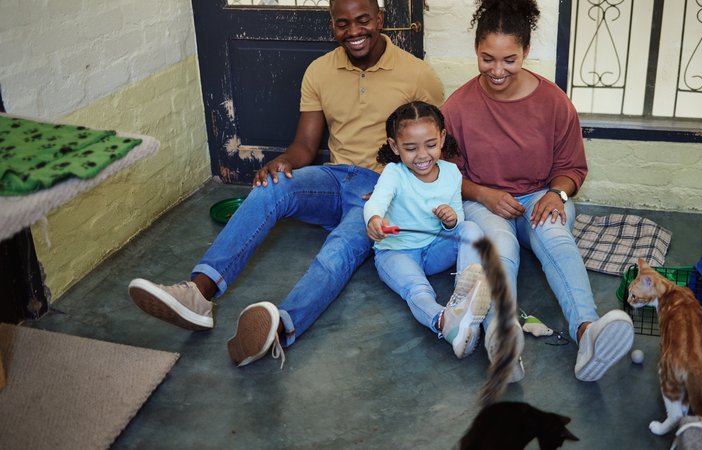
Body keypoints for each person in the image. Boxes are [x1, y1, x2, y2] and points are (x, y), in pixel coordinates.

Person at [127, 0, 444, 368]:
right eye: (343, 24)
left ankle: (279, 328)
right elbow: (306, 146)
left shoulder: (418, 74)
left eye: (363, 21)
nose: (354, 31)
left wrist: (400, 192)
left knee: (340, 247)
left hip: (381, 188)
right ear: (332, 27)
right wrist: (281, 162)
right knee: (273, 186)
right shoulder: (319, 71)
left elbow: (434, 149)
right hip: (334, 178)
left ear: (380, 20)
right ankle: (199, 293)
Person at [441, 0, 633, 382]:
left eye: (509, 59)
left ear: (526, 52)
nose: (497, 70)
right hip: (485, 200)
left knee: (556, 237)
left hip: (539, 196)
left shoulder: (555, 103)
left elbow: (571, 169)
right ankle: (502, 334)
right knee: (500, 244)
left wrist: (555, 195)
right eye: (487, 58)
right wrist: (483, 194)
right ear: (476, 51)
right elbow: (446, 175)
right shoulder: (458, 107)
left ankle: (588, 332)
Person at [364, 101, 491, 360]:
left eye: (430, 145)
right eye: (410, 148)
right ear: (394, 146)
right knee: (417, 290)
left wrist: (450, 219)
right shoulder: (394, 173)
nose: (422, 155)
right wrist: (374, 219)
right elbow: (377, 201)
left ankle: (461, 300)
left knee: (470, 228)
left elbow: (457, 220)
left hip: (434, 250)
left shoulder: (451, 172)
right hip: (396, 253)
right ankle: (445, 323)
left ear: (442, 138)